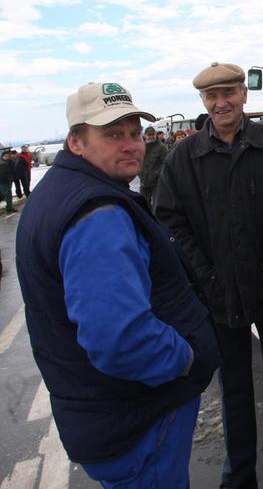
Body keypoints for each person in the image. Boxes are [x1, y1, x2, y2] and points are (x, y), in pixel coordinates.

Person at [15, 82, 220, 488]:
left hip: (105, 415)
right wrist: (186, 358)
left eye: (134, 133)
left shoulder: (57, 191)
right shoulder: (98, 213)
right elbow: (120, 337)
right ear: (76, 142)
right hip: (139, 421)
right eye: (111, 135)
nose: (130, 145)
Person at [156, 62, 263, 489]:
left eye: (229, 93)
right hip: (218, 294)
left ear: (243, 96)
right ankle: (239, 474)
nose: (222, 103)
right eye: (212, 96)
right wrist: (203, 274)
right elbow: (170, 222)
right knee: (232, 391)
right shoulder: (184, 158)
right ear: (203, 102)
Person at [139, 126, 168, 209]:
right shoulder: (142, 147)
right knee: (143, 205)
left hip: (156, 182)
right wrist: (140, 173)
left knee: (157, 205)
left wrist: (157, 174)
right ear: (145, 136)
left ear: (155, 135)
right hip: (144, 180)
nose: (151, 136)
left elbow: (165, 163)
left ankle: (156, 220)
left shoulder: (162, 147)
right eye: (149, 135)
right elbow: (137, 160)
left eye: (152, 134)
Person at [0, 149, 15, 213]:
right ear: (2, 156)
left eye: (8, 156)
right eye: (5, 156)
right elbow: (3, 174)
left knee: (4, 195)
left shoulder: (6, 162)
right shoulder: (3, 163)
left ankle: (9, 208)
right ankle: (9, 209)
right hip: (4, 182)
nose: (7, 157)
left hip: (6, 181)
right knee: (8, 195)